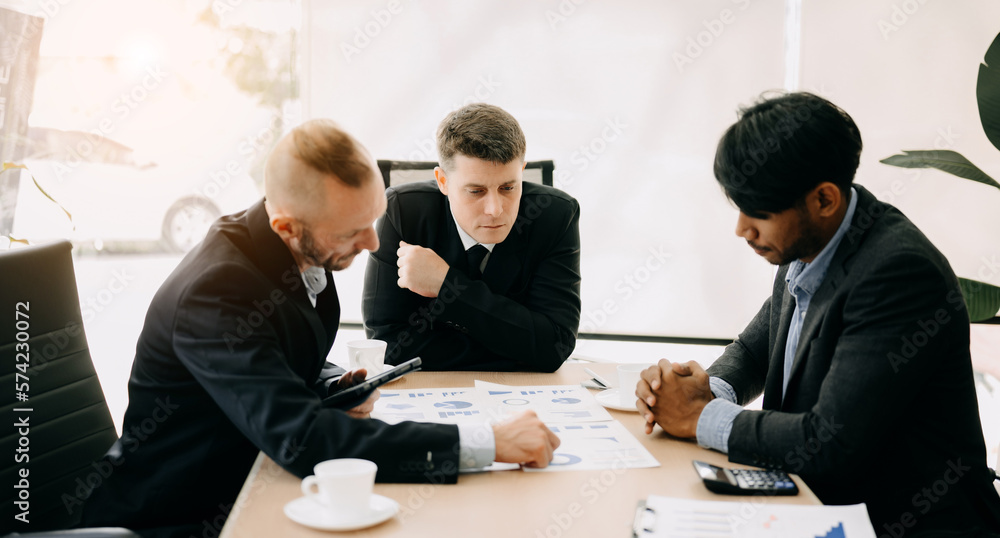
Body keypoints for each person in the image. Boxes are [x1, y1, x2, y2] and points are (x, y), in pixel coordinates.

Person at [79, 119, 559, 537]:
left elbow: (272, 355)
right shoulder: (217, 291)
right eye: (353, 231)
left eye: (373, 220)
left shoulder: (292, 240)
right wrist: (487, 442)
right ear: (288, 227)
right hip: (184, 514)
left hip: (259, 477)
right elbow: (303, 439)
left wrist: (329, 382)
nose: (372, 242)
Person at [635, 92, 1000, 535]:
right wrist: (698, 389)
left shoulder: (898, 272)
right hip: (815, 501)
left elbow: (830, 441)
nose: (742, 230)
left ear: (823, 200)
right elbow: (757, 350)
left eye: (760, 213)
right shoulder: (811, 240)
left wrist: (697, 416)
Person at [362, 103, 581, 372]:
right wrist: (519, 346)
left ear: (521, 171)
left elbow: (554, 345)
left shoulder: (555, 215)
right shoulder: (401, 211)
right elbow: (388, 346)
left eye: (508, 187)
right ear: (442, 181)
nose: (495, 209)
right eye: (476, 191)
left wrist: (447, 285)